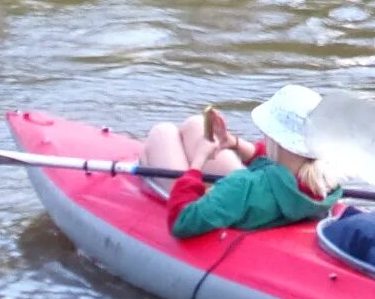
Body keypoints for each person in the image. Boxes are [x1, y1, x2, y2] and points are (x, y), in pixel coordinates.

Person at [144, 83, 343, 237]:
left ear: (277, 140)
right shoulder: (325, 181)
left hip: (238, 200)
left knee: (162, 133)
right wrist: (234, 143)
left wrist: (198, 161)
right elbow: (280, 164)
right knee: (196, 125)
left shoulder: (242, 186)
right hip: (264, 204)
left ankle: (147, 162)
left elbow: (183, 222)